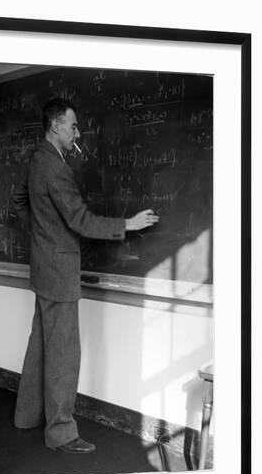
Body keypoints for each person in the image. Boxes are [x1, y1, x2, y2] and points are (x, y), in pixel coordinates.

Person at [13, 98, 159, 454]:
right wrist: (128, 224)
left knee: (41, 346)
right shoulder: (55, 168)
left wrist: (42, 237)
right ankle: (60, 432)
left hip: (43, 269)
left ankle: (26, 416)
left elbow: (19, 201)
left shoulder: (36, 159)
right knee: (63, 355)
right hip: (59, 273)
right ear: (57, 126)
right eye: (73, 125)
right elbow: (80, 220)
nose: (77, 132)